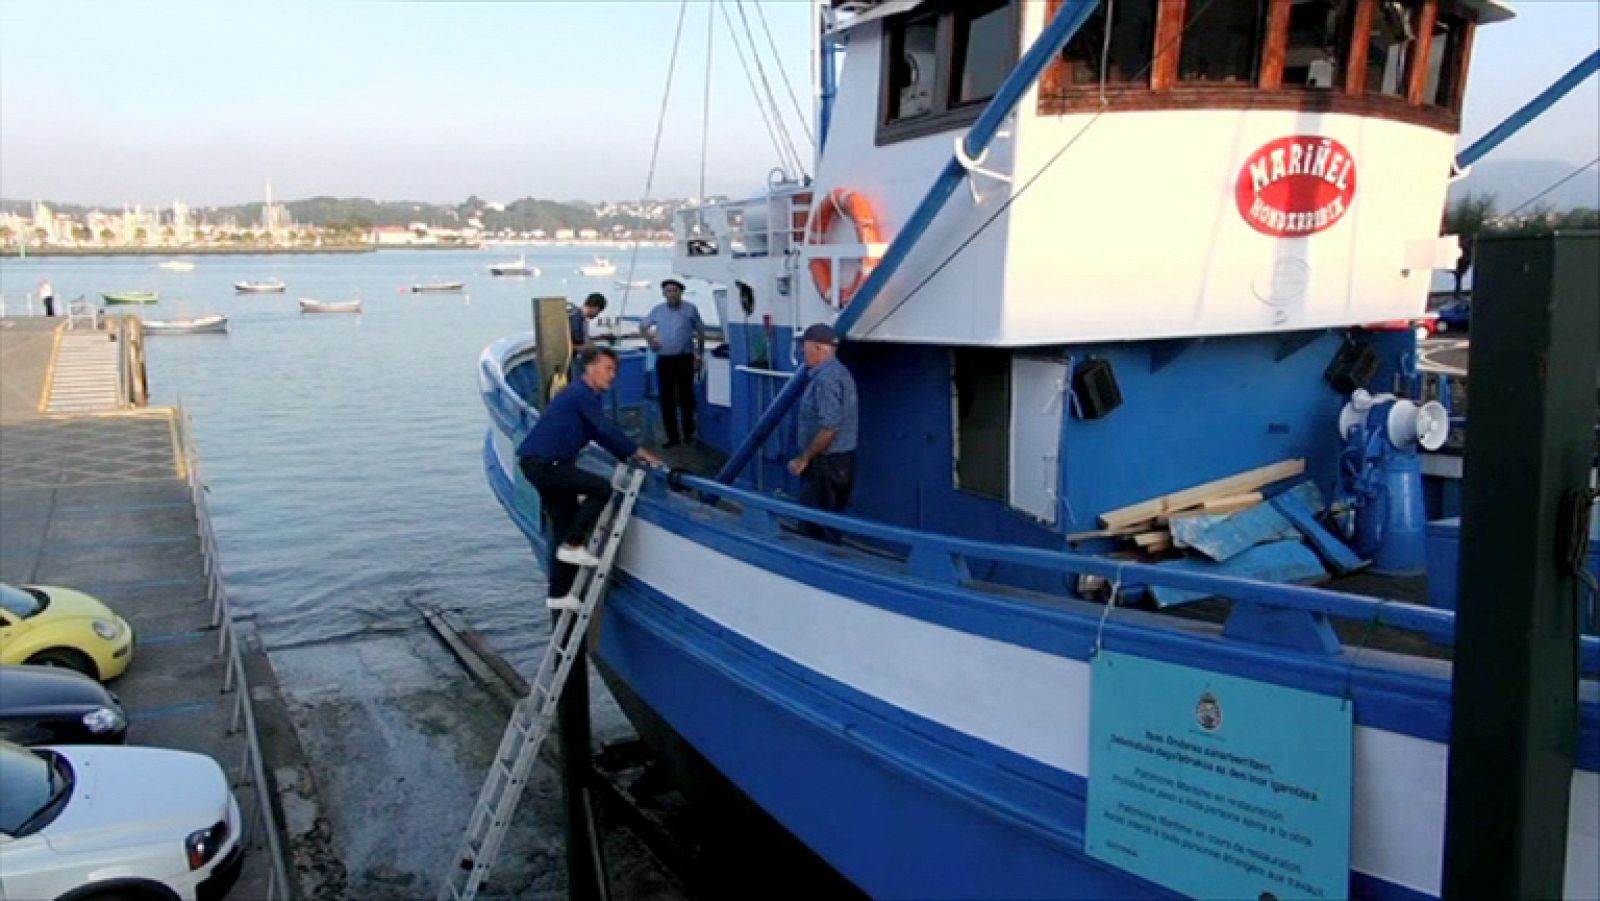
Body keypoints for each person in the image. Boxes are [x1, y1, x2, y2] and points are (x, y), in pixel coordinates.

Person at [518, 347, 662, 610]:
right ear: (591, 369)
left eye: (614, 370)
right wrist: (639, 452)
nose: (612, 375)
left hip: (540, 464)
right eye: (608, 369)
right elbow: (603, 428)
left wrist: (624, 456)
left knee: (564, 523)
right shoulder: (580, 394)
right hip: (546, 465)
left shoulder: (585, 398)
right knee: (601, 489)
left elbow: (598, 435)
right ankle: (573, 544)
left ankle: (559, 594)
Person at [787, 323, 858, 542]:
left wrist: (804, 458)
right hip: (840, 461)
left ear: (818, 348)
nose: (802, 351)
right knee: (830, 518)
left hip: (826, 464)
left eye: (805, 346)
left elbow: (830, 427)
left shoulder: (826, 379)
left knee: (817, 525)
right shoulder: (840, 373)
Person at [640, 278, 704, 447]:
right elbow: (643, 326)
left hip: (684, 358)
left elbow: (700, 333)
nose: (672, 294)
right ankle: (672, 437)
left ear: (681, 292)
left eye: (675, 291)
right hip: (665, 359)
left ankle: (688, 434)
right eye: (668, 291)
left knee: (686, 398)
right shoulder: (658, 310)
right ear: (664, 293)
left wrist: (699, 356)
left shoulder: (690, 309)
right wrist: (650, 341)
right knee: (667, 399)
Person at [567, 293, 607, 379]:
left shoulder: (582, 317)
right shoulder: (575, 317)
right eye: (598, 312)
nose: (597, 315)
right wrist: (584, 348)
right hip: (570, 363)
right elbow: (565, 344)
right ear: (596, 308)